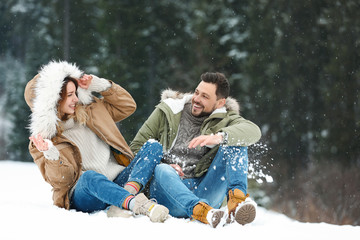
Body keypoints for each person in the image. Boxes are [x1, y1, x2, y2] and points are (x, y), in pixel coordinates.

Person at [24, 60, 169, 222]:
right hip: (85, 193)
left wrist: (100, 85)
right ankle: (136, 204)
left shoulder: (92, 110)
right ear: (54, 101)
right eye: (70, 95)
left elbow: (127, 106)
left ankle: (123, 200)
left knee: (153, 146)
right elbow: (61, 182)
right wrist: (51, 153)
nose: (76, 99)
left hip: (117, 181)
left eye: (76, 93)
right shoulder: (43, 140)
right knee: (89, 177)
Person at [130, 72, 261, 228]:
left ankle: (237, 201)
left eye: (205, 97)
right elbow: (136, 149)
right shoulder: (169, 111)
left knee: (235, 140)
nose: (197, 99)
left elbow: (254, 131)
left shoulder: (225, 118)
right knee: (162, 169)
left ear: (220, 103)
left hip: (205, 193)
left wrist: (219, 137)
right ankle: (198, 209)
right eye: (197, 92)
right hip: (167, 194)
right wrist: (160, 163)